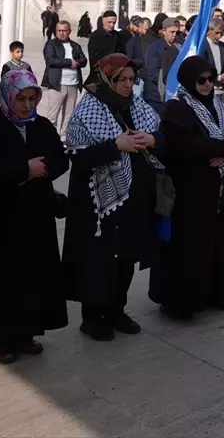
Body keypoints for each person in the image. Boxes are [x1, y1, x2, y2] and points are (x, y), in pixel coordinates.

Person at [63, 54, 162, 341]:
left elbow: (159, 135)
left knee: (126, 256)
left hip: (133, 197)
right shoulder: (88, 110)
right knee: (98, 259)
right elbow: (77, 155)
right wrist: (115, 146)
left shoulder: (139, 106)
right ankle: (92, 318)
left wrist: (152, 140)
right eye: (121, 79)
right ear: (106, 78)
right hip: (97, 202)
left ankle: (117, 310)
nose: (128, 85)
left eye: (132, 79)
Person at [0, 70, 69, 364]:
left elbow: (60, 158)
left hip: (36, 214)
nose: (27, 105)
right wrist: (23, 170)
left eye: (31, 98)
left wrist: (44, 168)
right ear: (7, 97)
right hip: (2, 214)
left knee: (33, 272)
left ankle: (27, 333)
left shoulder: (40, 126)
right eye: (20, 99)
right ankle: (1, 339)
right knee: (4, 275)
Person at [149, 56, 224, 320]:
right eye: (201, 80)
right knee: (188, 247)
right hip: (190, 189)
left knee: (219, 243)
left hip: (219, 187)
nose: (206, 85)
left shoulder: (219, 106)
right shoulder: (176, 108)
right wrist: (222, 148)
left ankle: (217, 294)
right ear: (189, 80)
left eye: (211, 79)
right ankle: (181, 302)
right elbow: (180, 144)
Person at [41, 20, 87, 138]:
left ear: (69, 31)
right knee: (52, 116)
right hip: (57, 84)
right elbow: (50, 60)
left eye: (64, 31)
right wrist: (69, 63)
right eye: (59, 31)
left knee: (69, 115)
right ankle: (50, 139)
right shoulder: (51, 44)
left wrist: (76, 62)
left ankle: (65, 139)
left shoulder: (75, 46)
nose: (61, 33)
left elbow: (84, 60)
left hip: (73, 85)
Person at [142, 15, 180, 114]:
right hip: (157, 96)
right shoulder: (155, 48)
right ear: (163, 31)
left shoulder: (179, 47)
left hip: (174, 96)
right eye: (172, 32)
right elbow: (153, 73)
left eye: (177, 32)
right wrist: (171, 81)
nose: (174, 35)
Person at [88, 10, 125, 79]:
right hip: (100, 75)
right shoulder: (95, 36)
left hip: (115, 74)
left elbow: (121, 53)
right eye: (109, 22)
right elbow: (94, 58)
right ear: (103, 21)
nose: (112, 25)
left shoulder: (117, 35)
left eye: (114, 22)